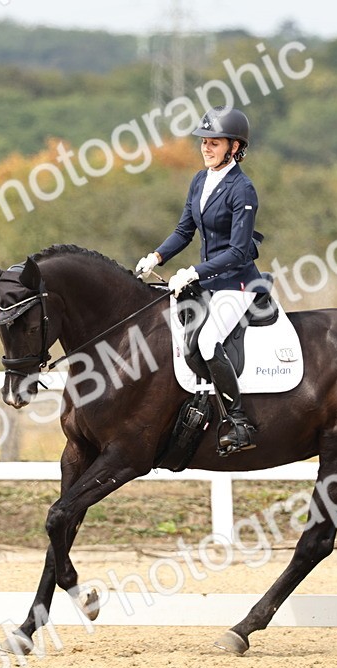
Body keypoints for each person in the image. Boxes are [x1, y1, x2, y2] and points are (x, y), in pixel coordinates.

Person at [135, 106, 267, 455]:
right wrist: (157, 257)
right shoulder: (199, 180)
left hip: (237, 284)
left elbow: (239, 252)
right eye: (204, 142)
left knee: (208, 342)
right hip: (209, 280)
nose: (206, 148)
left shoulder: (243, 189)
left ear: (234, 148)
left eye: (214, 143)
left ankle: (238, 422)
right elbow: (184, 231)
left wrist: (194, 272)